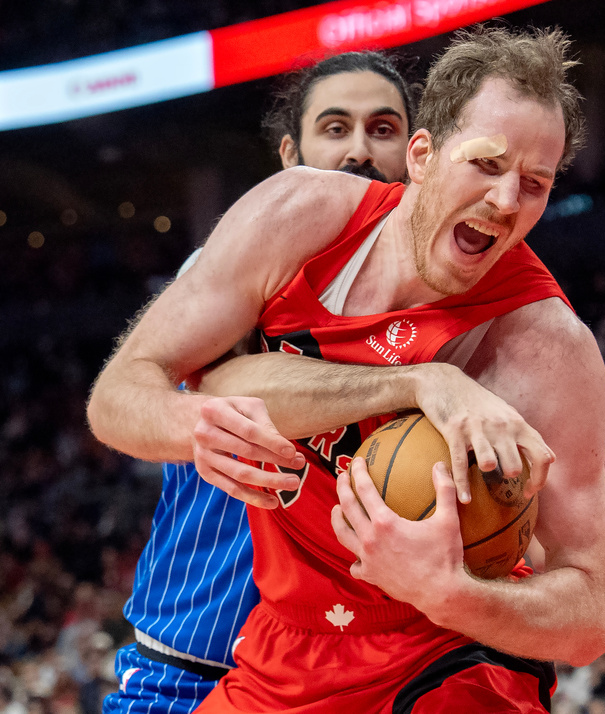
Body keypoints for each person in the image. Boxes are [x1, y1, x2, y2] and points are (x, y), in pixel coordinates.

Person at [88, 26, 605, 710]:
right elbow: (123, 395)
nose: (505, 201)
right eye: (488, 164)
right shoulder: (299, 218)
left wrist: (450, 593)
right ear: (423, 154)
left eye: (535, 184)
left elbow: (590, 608)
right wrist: (197, 423)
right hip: (288, 641)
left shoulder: (548, 348)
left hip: (451, 649)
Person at [101, 51, 416, 714]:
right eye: (335, 129)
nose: (359, 150)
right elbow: (118, 402)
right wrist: (196, 422)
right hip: (197, 661)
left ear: (416, 153)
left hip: (357, 671)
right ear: (288, 155)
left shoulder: (441, 301)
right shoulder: (238, 261)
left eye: (382, 129)